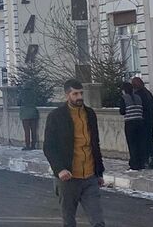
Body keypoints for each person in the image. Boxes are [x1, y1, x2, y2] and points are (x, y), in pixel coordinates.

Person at [44, 79, 105, 227]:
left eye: (81, 93)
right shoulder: (56, 116)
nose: (79, 97)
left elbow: (94, 144)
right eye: (75, 93)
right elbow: (49, 147)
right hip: (68, 178)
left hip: (90, 177)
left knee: (98, 220)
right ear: (67, 95)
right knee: (69, 221)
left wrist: (99, 171)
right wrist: (60, 169)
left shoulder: (90, 114)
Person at [119, 82, 145, 171]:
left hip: (130, 123)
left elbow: (122, 111)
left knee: (132, 144)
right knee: (139, 143)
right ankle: (141, 163)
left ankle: (134, 165)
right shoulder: (138, 97)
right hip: (140, 122)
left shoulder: (124, 98)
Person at [132, 77, 153, 168]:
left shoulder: (137, 94)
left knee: (144, 140)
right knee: (149, 139)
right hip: (150, 118)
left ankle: (146, 160)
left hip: (142, 119)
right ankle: (152, 158)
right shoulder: (147, 92)